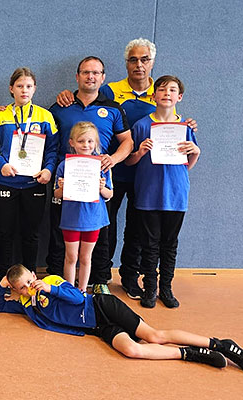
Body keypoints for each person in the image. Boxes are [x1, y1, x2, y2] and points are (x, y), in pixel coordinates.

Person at [55, 39, 198, 299]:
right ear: (126, 63)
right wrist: (67, 94)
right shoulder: (111, 90)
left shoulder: (161, 92)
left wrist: (186, 125)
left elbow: (153, 129)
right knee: (102, 226)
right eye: (133, 60)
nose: (139, 64)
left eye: (144, 59)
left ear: (152, 63)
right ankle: (101, 277)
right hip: (112, 174)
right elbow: (88, 97)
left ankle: (131, 278)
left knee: (136, 230)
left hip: (145, 176)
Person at [0, 265, 243, 373]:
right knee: (132, 350)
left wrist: (50, 288)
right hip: (98, 327)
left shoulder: (50, 281)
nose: (29, 286)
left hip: (102, 306)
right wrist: (3, 284)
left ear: (33, 274)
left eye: (29, 280)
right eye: (22, 287)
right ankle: (191, 354)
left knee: (154, 336)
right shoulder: (27, 306)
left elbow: (75, 298)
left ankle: (219, 344)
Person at [48, 57, 131, 295]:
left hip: (96, 183)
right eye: (85, 72)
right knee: (62, 238)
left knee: (100, 236)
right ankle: (61, 282)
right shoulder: (61, 106)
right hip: (69, 183)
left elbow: (127, 141)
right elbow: (48, 139)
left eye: (96, 73)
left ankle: (98, 281)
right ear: (77, 77)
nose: (90, 77)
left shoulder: (114, 109)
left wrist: (111, 160)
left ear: (103, 77)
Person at [124, 76, 200, 308]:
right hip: (148, 194)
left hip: (176, 195)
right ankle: (150, 288)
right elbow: (129, 162)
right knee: (149, 244)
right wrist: (139, 152)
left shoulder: (185, 127)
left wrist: (196, 151)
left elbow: (187, 164)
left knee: (170, 244)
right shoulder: (141, 125)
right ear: (154, 95)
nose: (167, 93)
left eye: (173, 90)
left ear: (179, 97)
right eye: (162, 89)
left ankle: (166, 288)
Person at [0, 67, 58, 282]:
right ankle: (4, 277)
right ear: (11, 89)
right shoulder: (0, 118)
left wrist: (49, 170)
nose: (24, 90)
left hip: (34, 184)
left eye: (28, 86)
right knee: (5, 232)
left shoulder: (45, 117)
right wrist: (1, 164)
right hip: (5, 182)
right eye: (19, 86)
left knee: (31, 234)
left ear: (34, 89)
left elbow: (53, 149)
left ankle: (29, 277)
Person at [54, 122, 113, 291]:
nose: (86, 145)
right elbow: (57, 195)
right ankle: (70, 291)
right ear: (72, 143)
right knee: (71, 257)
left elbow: (110, 195)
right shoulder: (64, 165)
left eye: (90, 141)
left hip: (93, 218)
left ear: (96, 143)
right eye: (81, 141)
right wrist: (62, 187)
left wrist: (102, 188)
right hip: (71, 218)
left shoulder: (103, 165)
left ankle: (82, 291)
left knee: (86, 257)